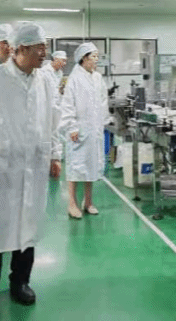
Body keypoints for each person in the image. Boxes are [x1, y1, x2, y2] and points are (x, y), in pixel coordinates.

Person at [0, 23, 62, 307]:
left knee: (28, 228)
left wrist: (55, 154)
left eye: (45, 47)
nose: (44, 53)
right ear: (20, 49)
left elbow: (53, 119)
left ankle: (20, 281)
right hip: (2, 167)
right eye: (39, 48)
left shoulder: (45, 80)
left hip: (34, 166)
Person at [59, 42, 110, 219]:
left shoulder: (97, 78)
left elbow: (103, 101)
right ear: (83, 58)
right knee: (75, 167)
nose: (96, 60)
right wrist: (72, 127)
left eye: (97, 56)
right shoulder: (74, 78)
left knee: (91, 166)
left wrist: (103, 122)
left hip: (94, 130)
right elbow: (68, 105)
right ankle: (72, 204)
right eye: (93, 56)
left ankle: (88, 202)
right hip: (78, 131)